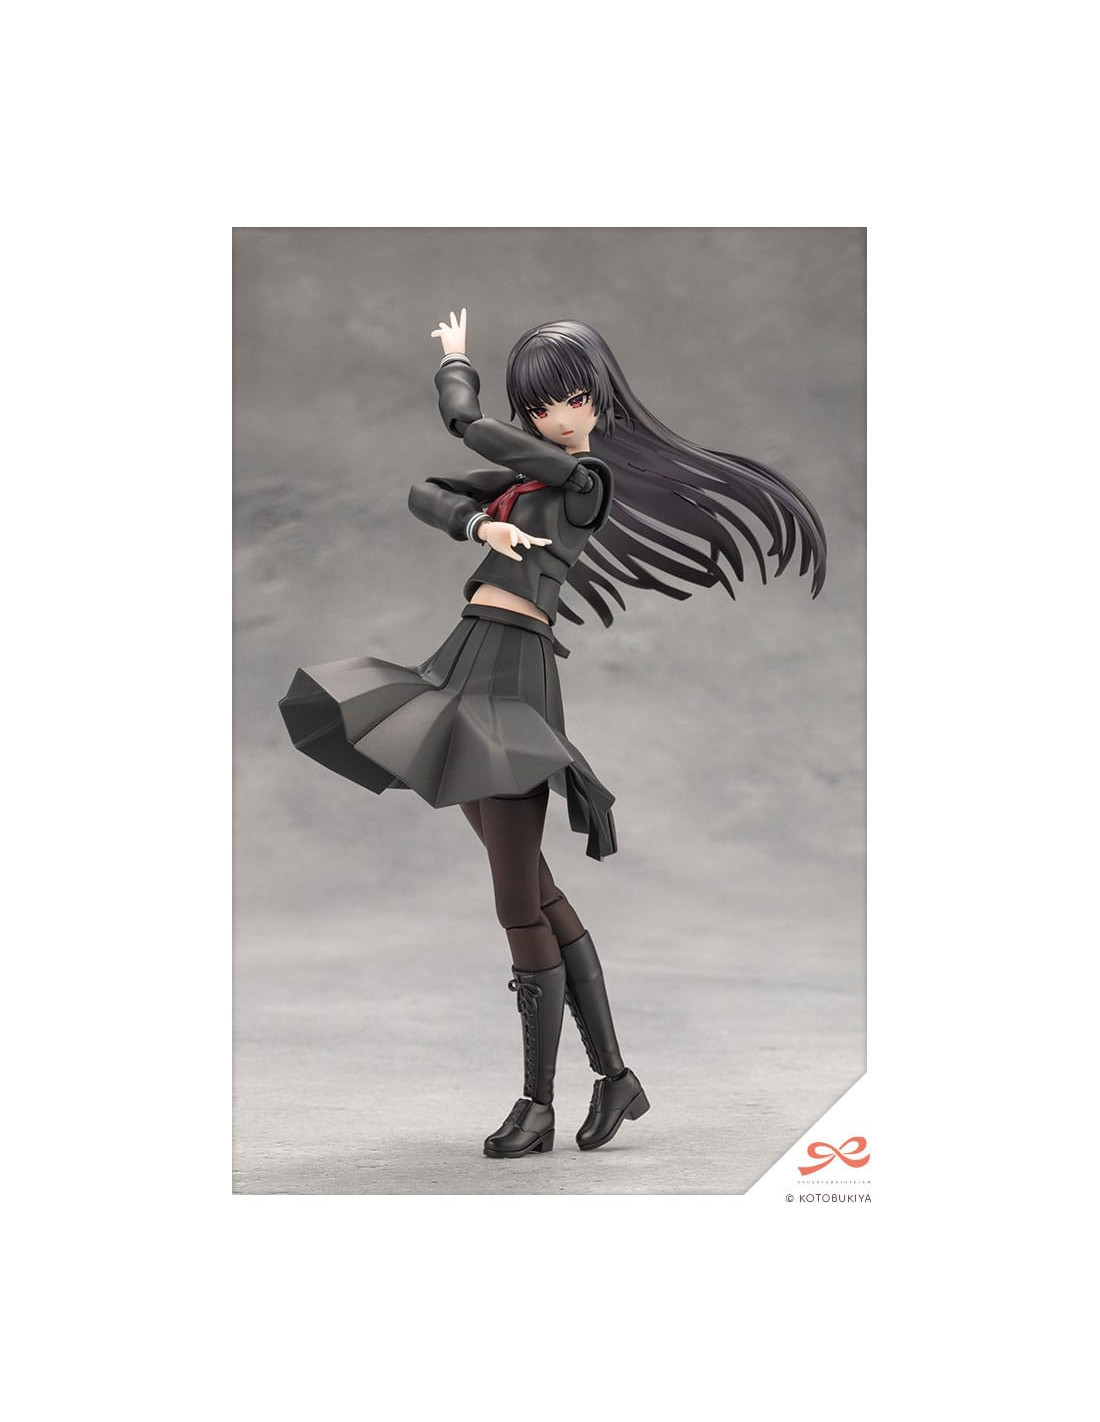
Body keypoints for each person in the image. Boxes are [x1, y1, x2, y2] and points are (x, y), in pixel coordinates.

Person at [279, 308, 826, 1160]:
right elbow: (425, 492)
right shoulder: (521, 482)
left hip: (516, 675)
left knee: (515, 898)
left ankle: (538, 1103)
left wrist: (455, 366)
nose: (555, 416)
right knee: (532, 887)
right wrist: (480, 525)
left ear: (598, 400)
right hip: (462, 660)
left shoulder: (582, 481)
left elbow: (469, 428)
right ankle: (617, 1078)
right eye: (539, 405)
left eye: (569, 398)